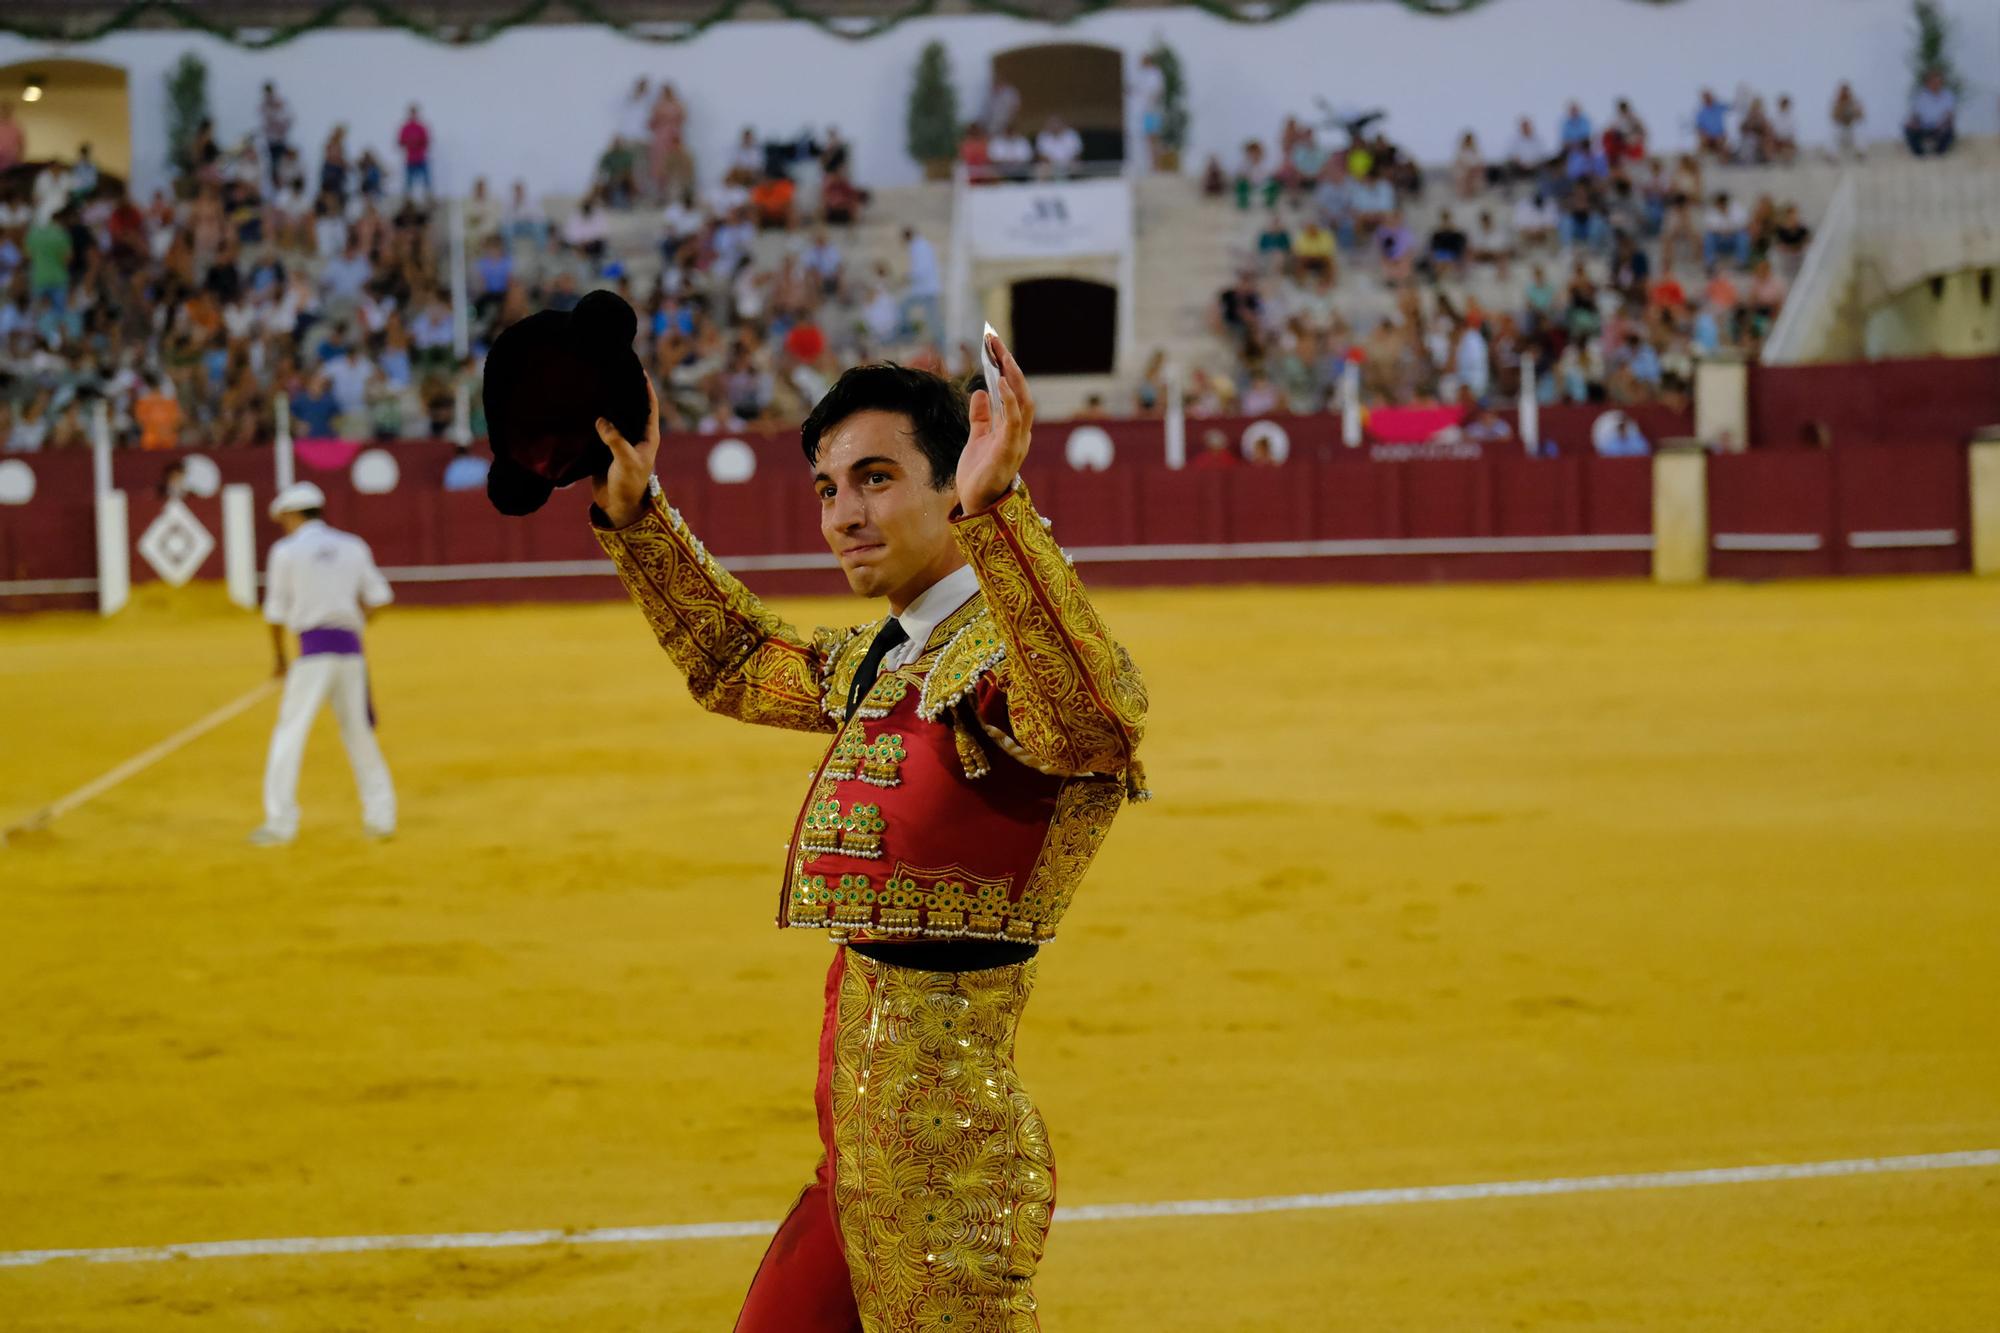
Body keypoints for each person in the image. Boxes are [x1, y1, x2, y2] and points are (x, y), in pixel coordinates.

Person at [585, 342, 1147, 1329]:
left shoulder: (989, 662)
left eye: (876, 479)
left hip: (947, 1171)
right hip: (855, 1151)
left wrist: (999, 513)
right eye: (826, 487)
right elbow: (738, 661)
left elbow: (1095, 721)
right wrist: (637, 511)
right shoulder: (892, 655)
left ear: (949, 485)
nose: (843, 513)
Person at [251, 482, 398, 846]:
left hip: (313, 653)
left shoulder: (285, 551)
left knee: (290, 733)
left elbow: (275, 613)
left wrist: (280, 660)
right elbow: (380, 598)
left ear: (291, 514)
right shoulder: (352, 545)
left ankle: (280, 822)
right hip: (349, 651)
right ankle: (381, 817)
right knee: (358, 733)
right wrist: (353, 625)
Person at [1905, 70, 1956, 157]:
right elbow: (1915, 115)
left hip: (1940, 127)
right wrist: (1913, 124)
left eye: (1938, 81)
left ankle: (1939, 153)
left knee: (1949, 131)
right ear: (1927, 83)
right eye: (1933, 81)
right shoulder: (1920, 96)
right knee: (1909, 129)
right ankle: (1919, 155)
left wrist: (1943, 125)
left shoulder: (1948, 95)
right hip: (1923, 127)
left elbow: (1950, 115)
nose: (1936, 84)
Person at [398, 103, 433, 198]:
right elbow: (400, 142)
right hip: (410, 160)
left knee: (427, 182)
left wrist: (418, 143)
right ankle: (408, 200)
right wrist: (409, 142)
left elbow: (427, 141)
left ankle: (428, 198)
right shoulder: (405, 128)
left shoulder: (421, 127)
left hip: (421, 158)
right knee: (408, 184)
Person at [1831, 82, 1865, 159]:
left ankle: (1860, 153)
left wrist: (1852, 111)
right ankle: (1832, 156)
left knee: (1860, 129)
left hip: (1851, 129)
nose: (1845, 94)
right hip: (1841, 130)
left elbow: (1861, 116)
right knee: (1833, 131)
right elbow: (1834, 117)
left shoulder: (1855, 102)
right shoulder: (1836, 104)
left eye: (1846, 92)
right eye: (1843, 92)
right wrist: (1842, 107)